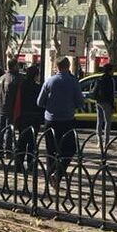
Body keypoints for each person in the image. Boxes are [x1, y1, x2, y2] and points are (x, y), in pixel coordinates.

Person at [37, 57, 85, 189]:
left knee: (51, 150)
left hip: (50, 120)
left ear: (56, 66)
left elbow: (39, 102)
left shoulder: (49, 81)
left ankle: (50, 176)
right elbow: (80, 102)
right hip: (67, 120)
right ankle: (57, 175)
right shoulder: (73, 82)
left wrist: (50, 105)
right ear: (68, 66)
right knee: (70, 149)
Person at [15, 64, 43, 172]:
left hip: (23, 116)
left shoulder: (21, 86)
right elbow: (40, 103)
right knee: (32, 142)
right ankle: (31, 165)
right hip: (34, 117)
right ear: (35, 75)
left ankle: (19, 164)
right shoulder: (37, 87)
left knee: (22, 142)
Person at [0, 60, 22, 151]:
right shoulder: (15, 78)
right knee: (9, 129)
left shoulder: (1, 78)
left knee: (0, 128)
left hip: (1, 107)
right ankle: (8, 149)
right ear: (14, 66)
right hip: (11, 107)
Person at [91, 63, 116, 146]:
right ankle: (106, 142)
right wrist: (113, 105)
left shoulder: (99, 79)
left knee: (99, 121)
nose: (113, 72)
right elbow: (112, 94)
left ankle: (99, 141)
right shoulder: (111, 80)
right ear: (110, 70)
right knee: (107, 122)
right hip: (107, 102)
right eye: (112, 70)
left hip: (99, 102)